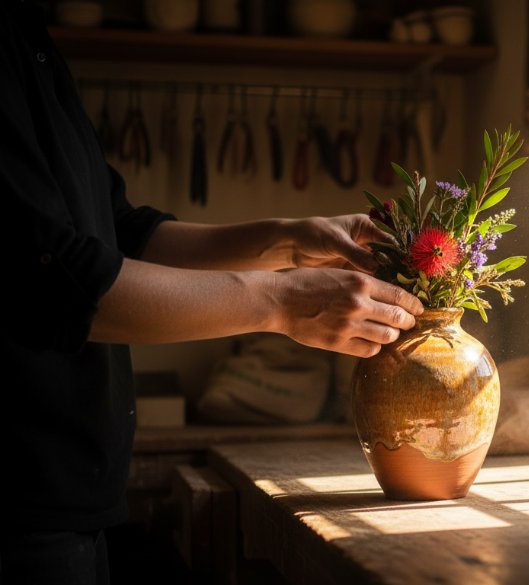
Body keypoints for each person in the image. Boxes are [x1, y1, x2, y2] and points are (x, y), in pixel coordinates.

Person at [0, 2, 423, 583]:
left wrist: (289, 242)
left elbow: (121, 234)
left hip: (71, 492)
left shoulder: (27, 32)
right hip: (15, 500)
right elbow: (51, 279)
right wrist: (284, 302)